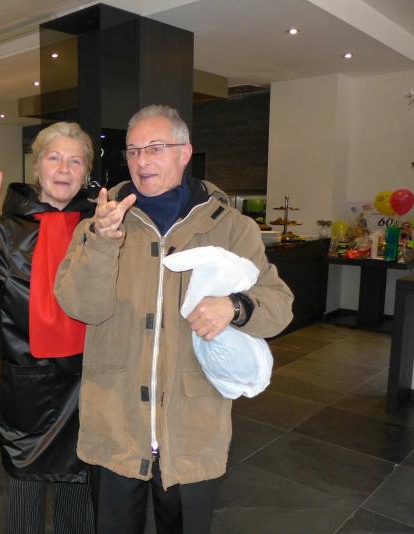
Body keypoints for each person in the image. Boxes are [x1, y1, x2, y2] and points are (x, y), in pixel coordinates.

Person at [54, 105, 293, 533]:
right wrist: (103, 243)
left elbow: (278, 305)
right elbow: (80, 306)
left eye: (156, 148)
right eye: (133, 151)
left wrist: (234, 307)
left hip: (191, 422)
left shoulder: (231, 228)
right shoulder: (99, 223)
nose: (142, 160)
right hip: (115, 418)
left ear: (185, 153)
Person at [0, 122, 96, 534]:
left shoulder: (99, 225)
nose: (64, 169)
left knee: (80, 490)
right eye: (54, 157)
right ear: (37, 166)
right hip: (30, 385)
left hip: (90, 383)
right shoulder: (7, 228)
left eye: (75, 161)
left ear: (86, 172)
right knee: (25, 492)